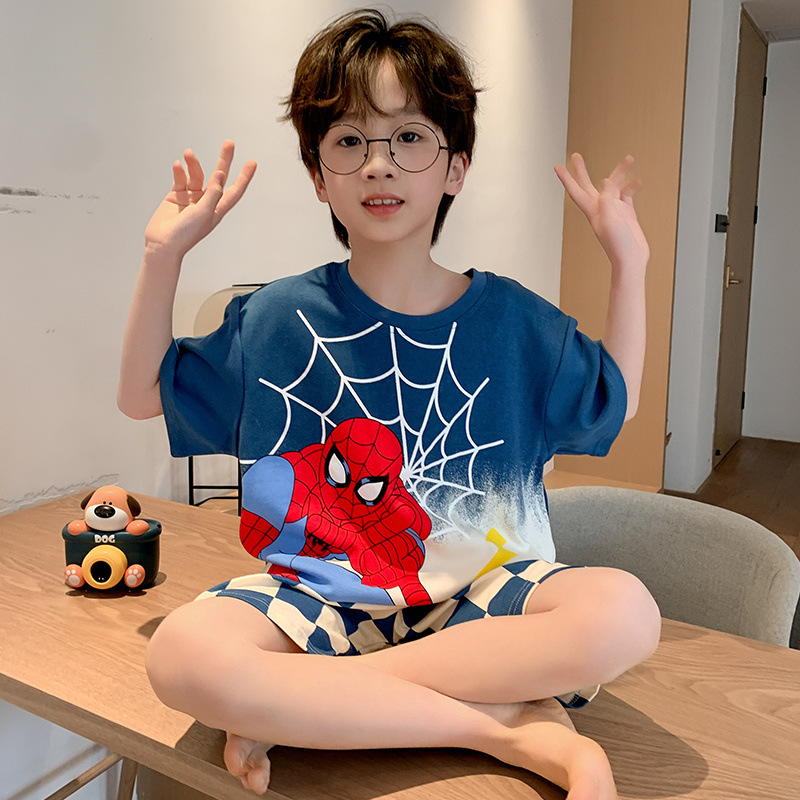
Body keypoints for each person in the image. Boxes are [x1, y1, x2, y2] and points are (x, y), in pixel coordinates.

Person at [118, 9, 659, 799]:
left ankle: (311, 706)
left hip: (483, 601)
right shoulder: (277, 318)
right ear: (318, 176)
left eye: (409, 137)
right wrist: (160, 257)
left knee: (626, 613)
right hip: (320, 598)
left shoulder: (513, 321)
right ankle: (502, 727)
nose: (378, 165)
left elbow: (616, 400)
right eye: (348, 141)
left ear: (455, 167)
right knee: (181, 654)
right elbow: (142, 397)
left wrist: (630, 265)